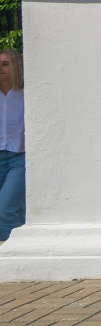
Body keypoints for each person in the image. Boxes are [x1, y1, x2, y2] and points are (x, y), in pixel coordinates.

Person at [0, 48, 22, 242]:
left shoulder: (26, 94)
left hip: (19, 158)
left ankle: (5, 256)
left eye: (5, 64)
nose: (1, 68)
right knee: (21, 212)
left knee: (4, 210)